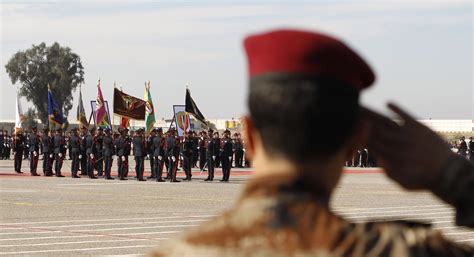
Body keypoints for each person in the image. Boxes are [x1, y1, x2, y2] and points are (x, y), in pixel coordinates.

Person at [149, 29, 473, 256]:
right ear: (354, 143)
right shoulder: (403, 251)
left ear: (247, 134)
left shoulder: (175, 253)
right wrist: (451, 176)